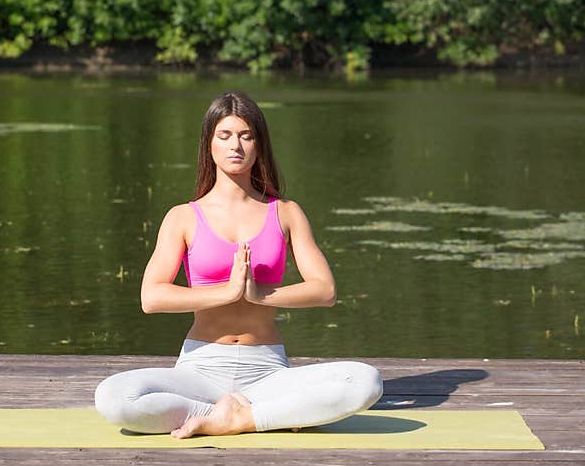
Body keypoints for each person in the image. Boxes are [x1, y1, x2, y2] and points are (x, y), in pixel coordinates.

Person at [94, 90, 382, 439]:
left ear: (259, 145)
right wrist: (227, 292)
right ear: (209, 144)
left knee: (366, 382)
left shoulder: (286, 213)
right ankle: (234, 415)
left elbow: (325, 291)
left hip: (267, 372)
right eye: (225, 135)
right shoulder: (182, 217)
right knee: (113, 398)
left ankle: (238, 419)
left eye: (247, 136)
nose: (236, 146)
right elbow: (151, 298)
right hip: (199, 369)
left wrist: (260, 295)